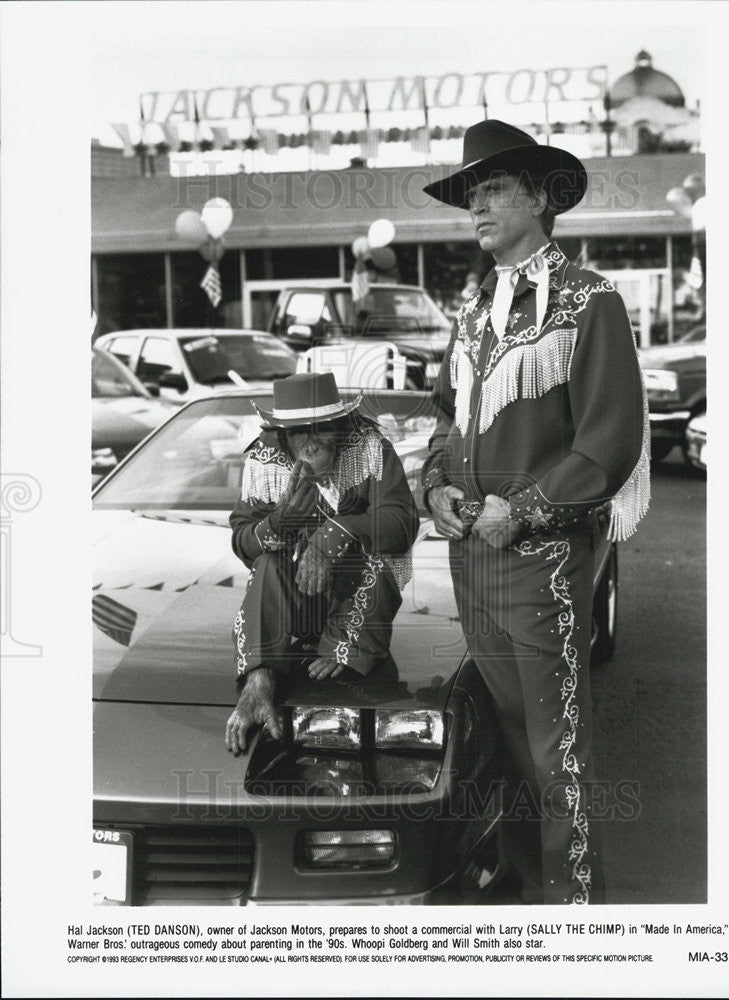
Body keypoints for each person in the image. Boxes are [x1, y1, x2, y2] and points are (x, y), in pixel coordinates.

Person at [421, 120, 650, 905]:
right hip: (471, 564)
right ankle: (527, 897)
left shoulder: (590, 301)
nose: (475, 209)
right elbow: (452, 424)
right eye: (471, 196)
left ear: (539, 199)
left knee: (559, 755)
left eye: (489, 191)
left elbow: (608, 444)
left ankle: (576, 919)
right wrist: (435, 490)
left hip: (542, 566)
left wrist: (519, 512)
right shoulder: (474, 310)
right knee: (505, 748)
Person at [225, 372, 419, 755]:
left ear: (341, 426)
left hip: (357, 605)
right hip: (293, 605)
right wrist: (278, 525)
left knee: (375, 557)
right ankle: (259, 680)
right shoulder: (264, 458)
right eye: (299, 434)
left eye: (321, 430)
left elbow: (402, 524)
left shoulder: (370, 448)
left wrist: (334, 535)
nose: (311, 444)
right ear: (282, 436)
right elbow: (242, 538)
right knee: (267, 562)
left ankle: (345, 641)